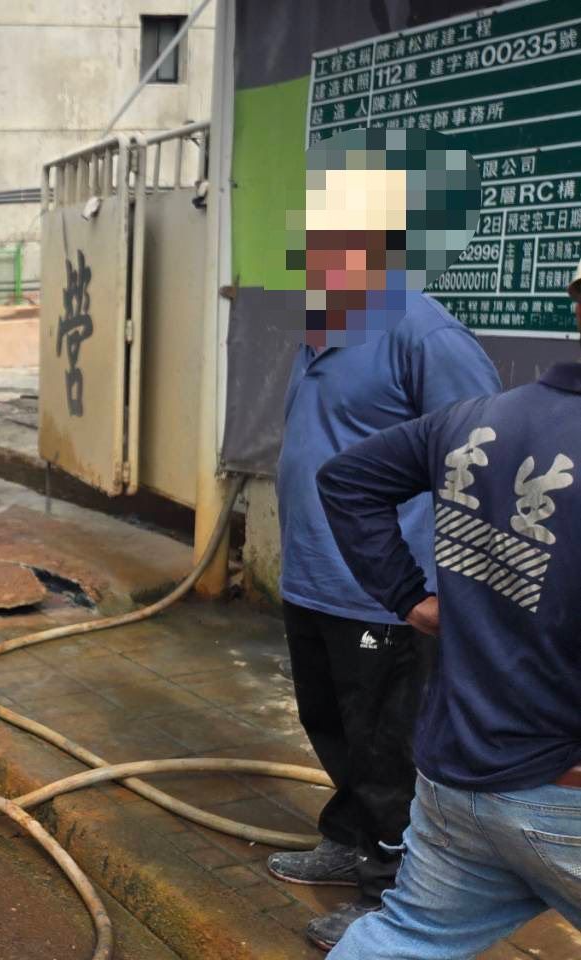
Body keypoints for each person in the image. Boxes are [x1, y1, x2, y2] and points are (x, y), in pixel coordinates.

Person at [270, 128, 501, 948]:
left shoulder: (425, 334)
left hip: (382, 588)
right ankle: (347, 839)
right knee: (329, 723)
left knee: (387, 747)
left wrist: (451, 590)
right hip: (309, 579)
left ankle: (391, 892)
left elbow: (483, 462)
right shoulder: (324, 326)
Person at [313, 266, 581, 959]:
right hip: (557, 792)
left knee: (405, 936)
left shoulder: (480, 418)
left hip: (455, 773)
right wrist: (407, 596)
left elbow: (346, 479)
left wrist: (408, 597)